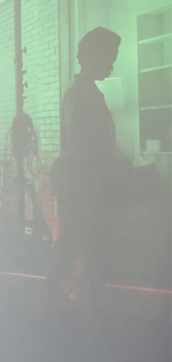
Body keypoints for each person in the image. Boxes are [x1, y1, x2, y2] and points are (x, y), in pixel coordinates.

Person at [53, 27, 123, 305]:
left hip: (83, 181)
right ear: (94, 57)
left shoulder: (85, 92)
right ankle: (87, 300)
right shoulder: (82, 94)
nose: (112, 64)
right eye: (110, 57)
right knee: (83, 240)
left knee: (80, 241)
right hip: (82, 183)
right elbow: (81, 142)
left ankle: (76, 297)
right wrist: (103, 172)